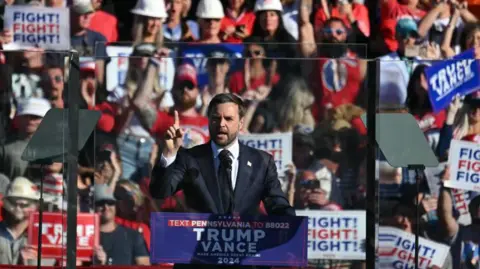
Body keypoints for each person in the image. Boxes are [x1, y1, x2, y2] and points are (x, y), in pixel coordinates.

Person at [150, 93, 294, 218]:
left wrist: (294, 228)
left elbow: (278, 206)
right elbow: (160, 191)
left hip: (244, 244)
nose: (221, 124)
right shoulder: (190, 158)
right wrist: (169, 153)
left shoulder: (262, 162)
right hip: (200, 245)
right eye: (216, 118)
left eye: (228, 119)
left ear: (240, 124)